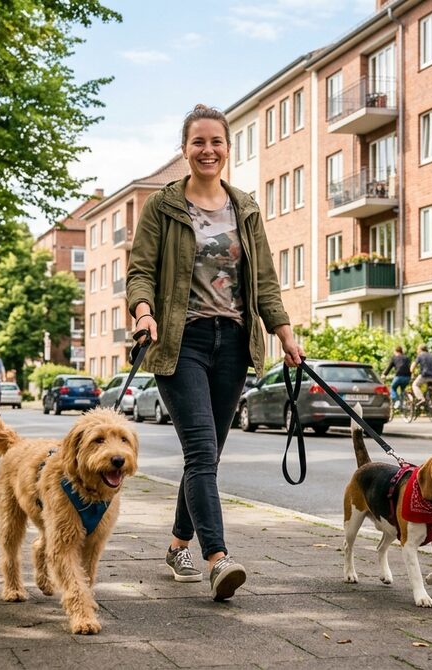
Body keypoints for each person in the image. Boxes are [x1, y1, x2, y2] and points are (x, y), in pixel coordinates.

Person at [127, 104, 306, 602]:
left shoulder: (245, 207)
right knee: (202, 451)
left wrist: (284, 333)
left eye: (216, 142)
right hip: (180, 341)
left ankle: (177, 545)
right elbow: (141, 270)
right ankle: (218, 559)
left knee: (206, 455)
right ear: (185, 149)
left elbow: (264, 280)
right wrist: (143, 313)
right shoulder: (162, 206)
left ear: (228, 148)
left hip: (233, 342)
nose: (208, 150)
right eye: (198, 142)